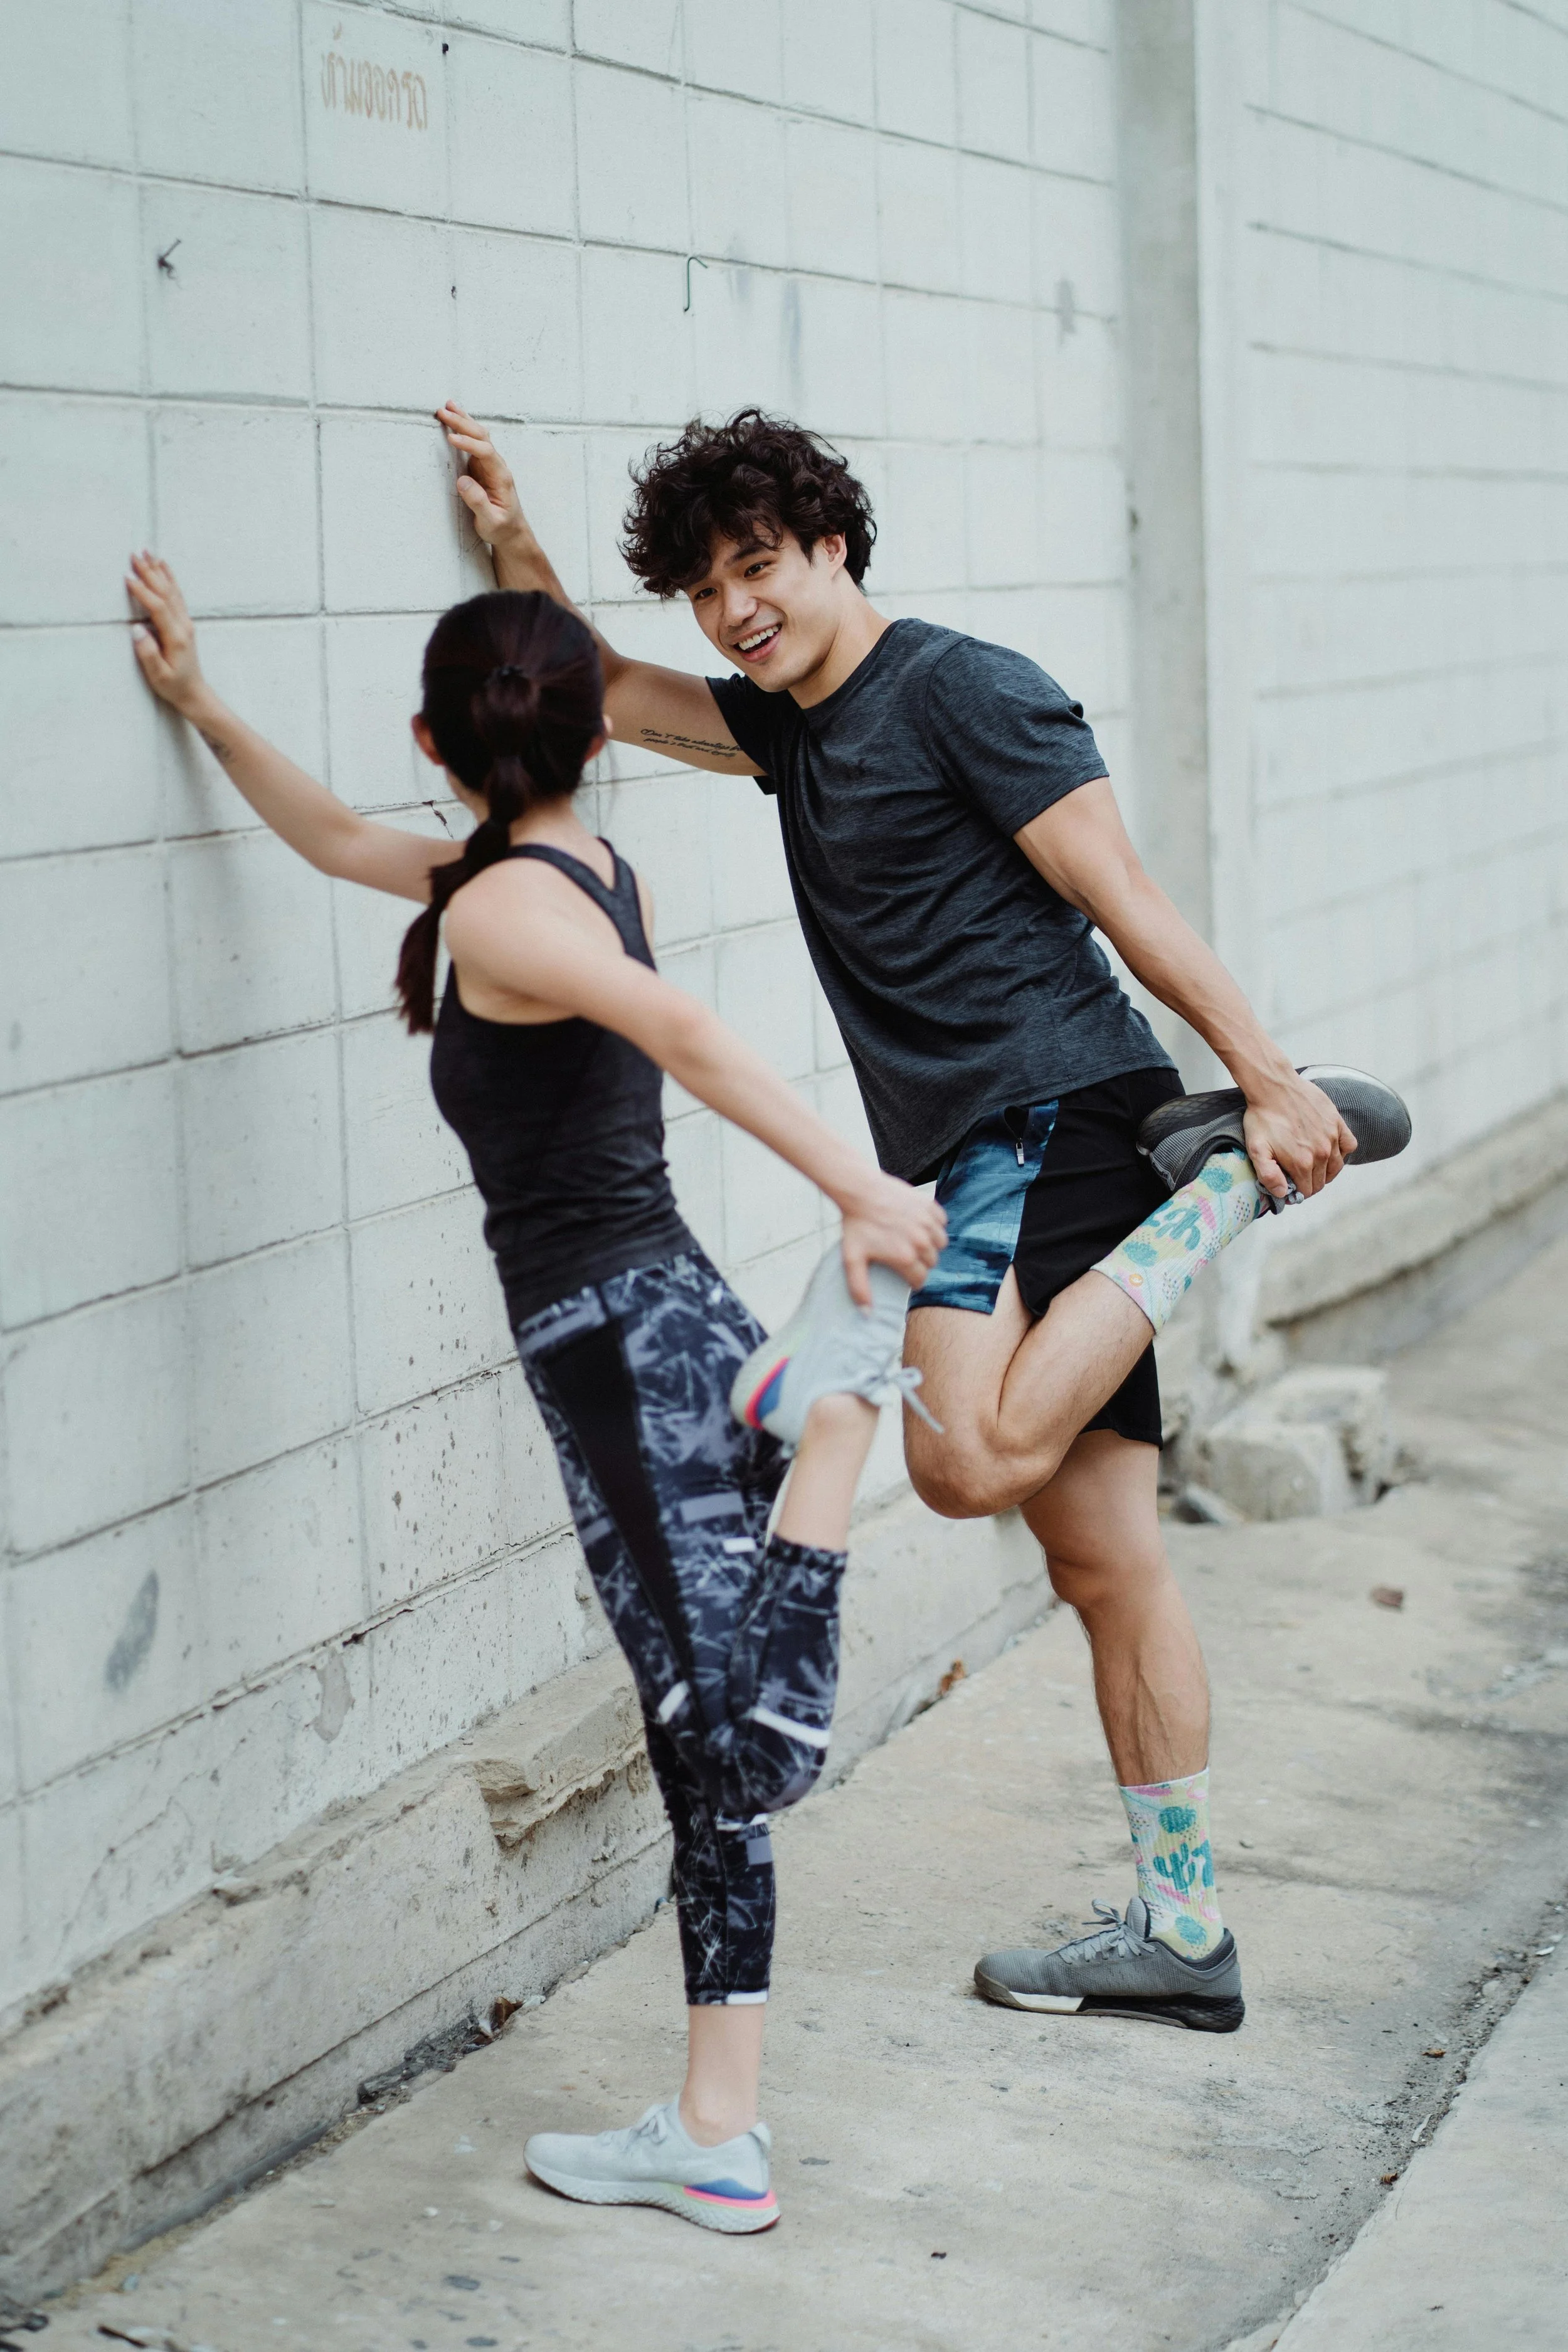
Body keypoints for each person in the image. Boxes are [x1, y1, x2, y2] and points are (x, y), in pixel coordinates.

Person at [433, 401, 1410, 2035]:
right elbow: (623, 699)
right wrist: (520, 551)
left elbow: (1124, 893)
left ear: (828, 542)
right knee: (1107, 1564)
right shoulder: (797, 731)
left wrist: (1262, 1080)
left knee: (960, 1461)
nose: (736, 607)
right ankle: (1185, 1936)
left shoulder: (960, 687)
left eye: (757, 565)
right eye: (707, 588)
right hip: (1011, 1142)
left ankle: (1221, 1185)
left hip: (1041, 1120)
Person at [126, 550, 948, 2235]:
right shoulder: (546, 861)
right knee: (686, 1736)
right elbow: (330, 841)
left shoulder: (502, 904)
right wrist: (205, 700)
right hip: (666, 1316)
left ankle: (842, 1410)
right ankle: (716, 2128)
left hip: (612, 1337)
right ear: (585, 735)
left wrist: (861, 1196)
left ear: (432, 733)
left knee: (745, 1735)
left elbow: (693, 1035)